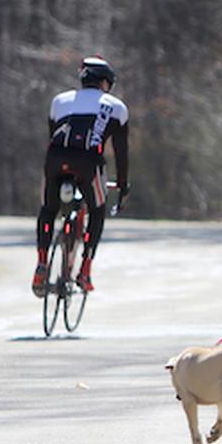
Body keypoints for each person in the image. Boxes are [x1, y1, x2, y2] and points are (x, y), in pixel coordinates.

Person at [32, 56, 130, 296]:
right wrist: (123, 184)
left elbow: (52, 136)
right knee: (97, 210)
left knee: (48, 209)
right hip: (88, 162)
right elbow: (121, 153)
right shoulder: (116, 107)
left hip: (55, 160)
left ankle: (42, 263)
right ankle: (85, 270)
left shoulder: (59, 101)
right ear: (106, 83)